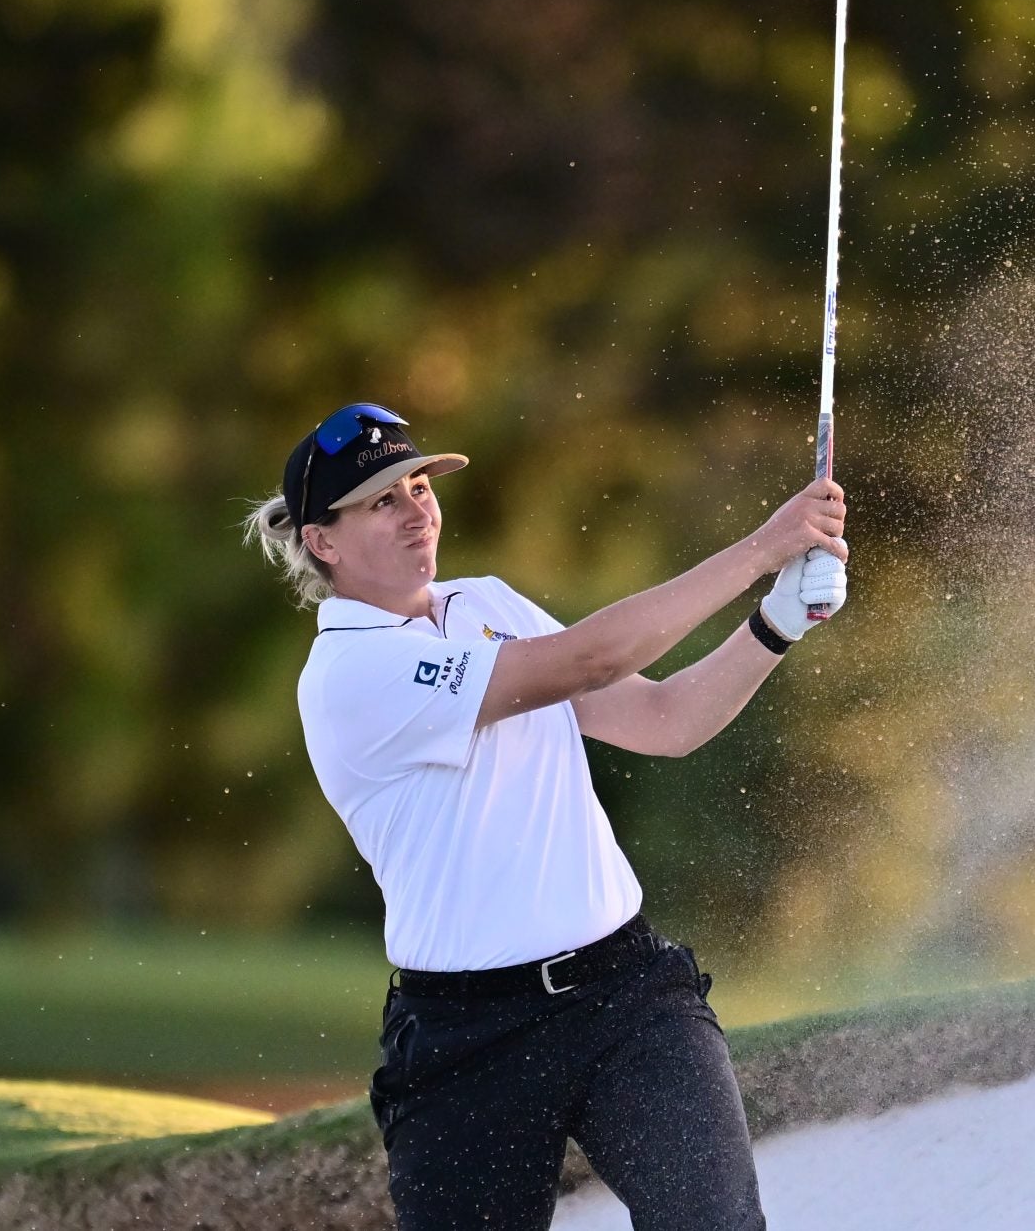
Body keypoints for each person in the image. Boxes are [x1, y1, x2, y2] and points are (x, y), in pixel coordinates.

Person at [243, 401, 847, 1231]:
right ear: (323, 541)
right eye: (384, 500)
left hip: (626, 997)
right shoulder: (349, 673)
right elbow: (587, 659)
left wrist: (774, 625)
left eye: (419, 485)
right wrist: (760, 550)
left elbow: (662, 721)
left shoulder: (488, 603)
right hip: (467, 1039)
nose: (418, 508)